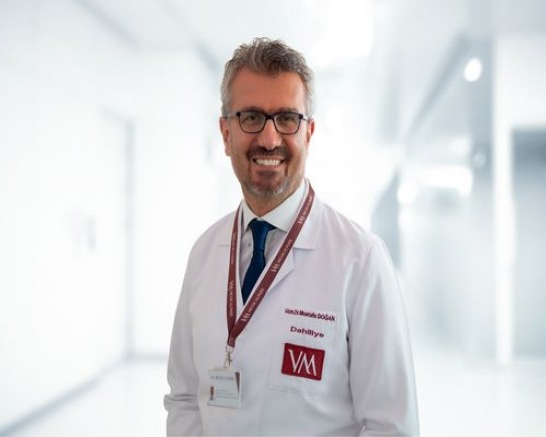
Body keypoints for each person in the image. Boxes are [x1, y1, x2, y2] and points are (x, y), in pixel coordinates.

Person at [164, 37, 418, 436]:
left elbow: (391, 426)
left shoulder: (361, 260)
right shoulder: (204, 254)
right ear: (226, 133)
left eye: (287, 118)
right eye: (251, 117)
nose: (269, 139)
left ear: (309, 133)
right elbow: (184, 397)